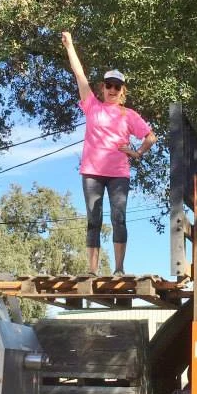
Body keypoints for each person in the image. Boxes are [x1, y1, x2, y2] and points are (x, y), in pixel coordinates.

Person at [61, 31, 156, 276]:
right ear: (103, 88)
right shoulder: (92, 106)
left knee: (118, 217)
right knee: (93, 219)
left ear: (122, 91)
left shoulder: (129, 115)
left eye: (117, 86)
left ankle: (119, 269)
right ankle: (92, 270)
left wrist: (137, 153)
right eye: (108, 85)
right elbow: (79, 75)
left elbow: (150, 137)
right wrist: (70, 46)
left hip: (118, 174)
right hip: (92, 173)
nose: (112, 89)